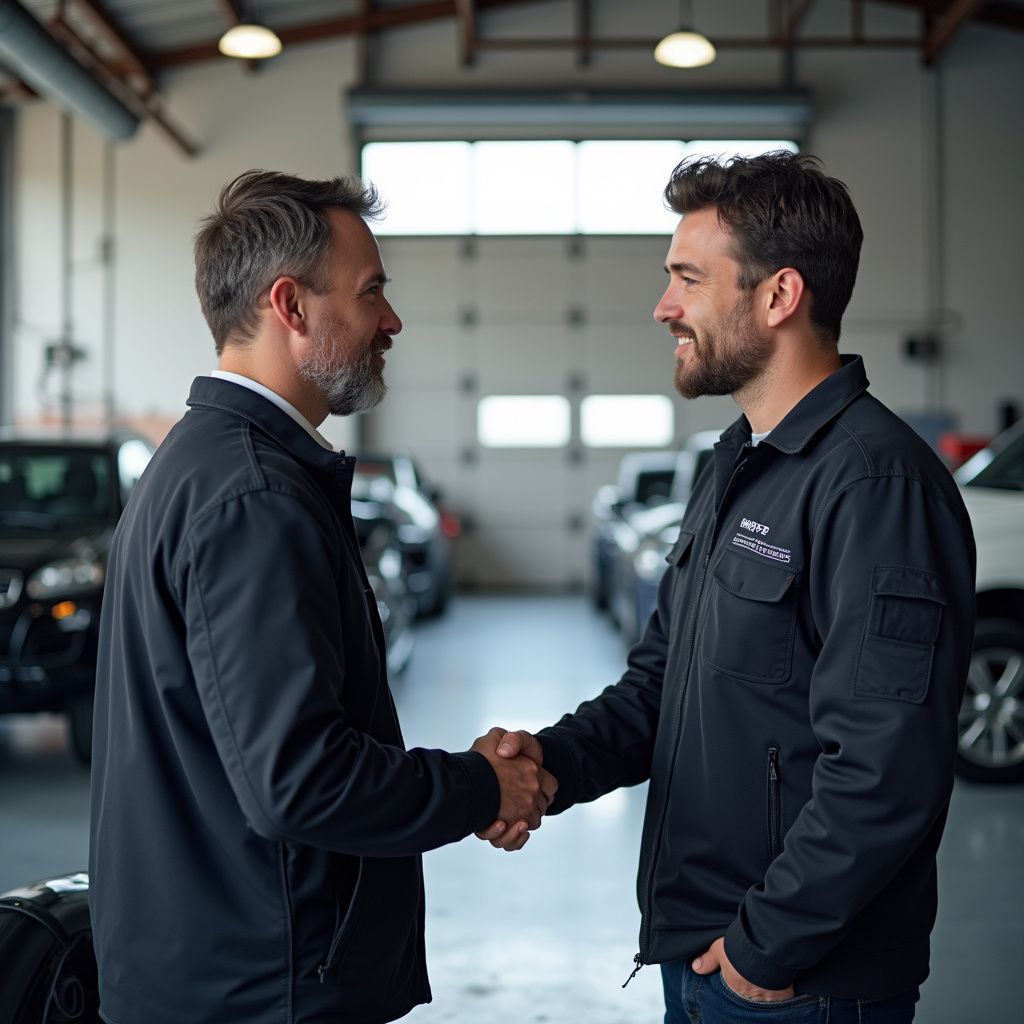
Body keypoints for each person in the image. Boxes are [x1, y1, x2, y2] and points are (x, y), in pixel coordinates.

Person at [479, 152, 976, 1024]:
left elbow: (886, 769)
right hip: (704, 948)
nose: (664, 306)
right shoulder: (739, 465)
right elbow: (661, 685)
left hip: (796, 982)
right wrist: (548, 765)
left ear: (779, 296)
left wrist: (762, 950)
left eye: (688, 279)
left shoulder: (875, 487)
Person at [88, 169, 556, 1024]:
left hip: (212, 968)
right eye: (371, 291)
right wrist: (480, 788)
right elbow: (300, 781)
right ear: (290, 306)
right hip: (265, 983)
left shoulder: (198, 464)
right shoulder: (254, 496)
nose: (391, 320)